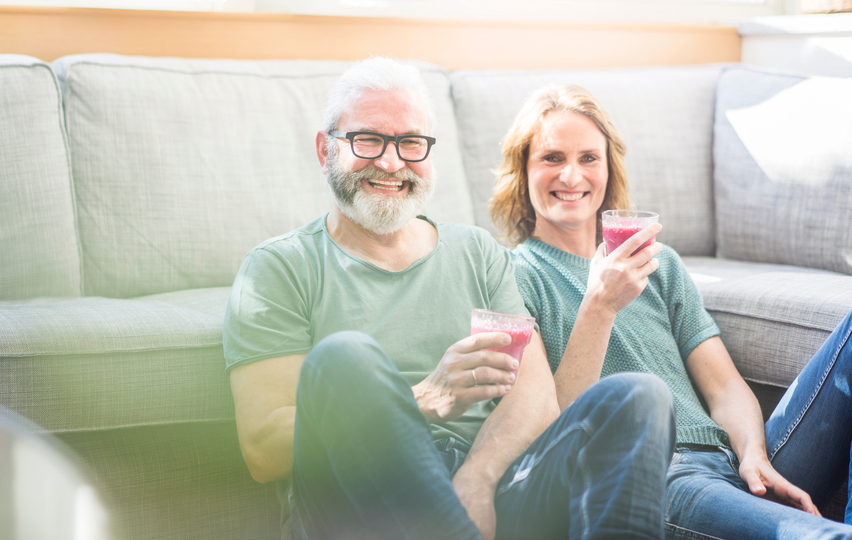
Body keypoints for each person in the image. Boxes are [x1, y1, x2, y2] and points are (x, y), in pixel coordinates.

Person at [223, 58, 677, 540]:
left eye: (410, 143)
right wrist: (420, 400)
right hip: (363, 502)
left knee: (641, 395)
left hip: (489, 492)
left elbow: (537, 396)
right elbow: (262, 450)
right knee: (345, 357)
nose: (391, 162)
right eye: (368, 140)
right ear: (325, 149)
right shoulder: (278, 267)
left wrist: (477, 479)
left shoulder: (476, 251)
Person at [491, 83, 852, 540]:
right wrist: (598, 306)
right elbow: (550, 430)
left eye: (589, 158)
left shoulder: (660, 263)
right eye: (552, 158)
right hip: (661, 478)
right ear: (522, 170)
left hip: (734, 462)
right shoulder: (509, 277)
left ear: (609, 170)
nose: (572, 176)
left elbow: (724, 386)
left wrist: (753, 451)